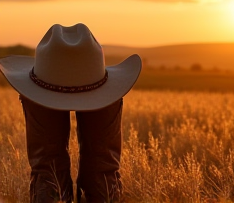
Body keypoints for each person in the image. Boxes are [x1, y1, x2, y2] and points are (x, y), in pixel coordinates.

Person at [0, 23, 142, 203]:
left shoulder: (46, 80)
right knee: (102, 174)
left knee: (48, 171)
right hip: (94, 82)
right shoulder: (98, 84)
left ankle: (54, 196)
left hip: (47, 82)